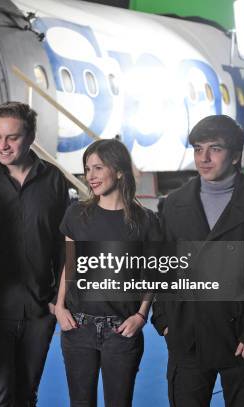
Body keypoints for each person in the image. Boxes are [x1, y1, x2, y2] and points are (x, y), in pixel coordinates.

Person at [152, 115, 244, 407]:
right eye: (198, 148)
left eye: (215, 148)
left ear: (236, 155)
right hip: (187, 339)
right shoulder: (174, 204)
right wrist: (164, 320)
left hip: (241, 340)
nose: (203, 158)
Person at [0, 101, 69, 406]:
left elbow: (63, 245)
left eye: (12, 137)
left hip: (39, 308)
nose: (3, 145)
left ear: (31, 137)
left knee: (27, 393)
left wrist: (58, 301)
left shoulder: (54, 180)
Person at [54, 139, 160, 407]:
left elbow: (152, 274)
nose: (90, 176)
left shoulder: (146, 221)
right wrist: (59, 307)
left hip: (121, 332)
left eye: (98, 168)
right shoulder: (77, 214)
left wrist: (141, 315)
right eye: (87, 169)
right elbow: (70, 265)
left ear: (120, 171)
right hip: (78, 328)